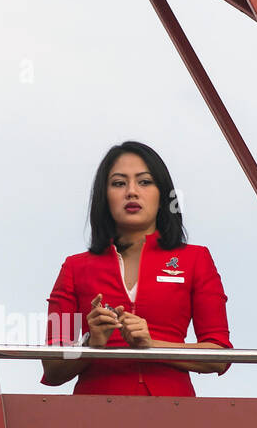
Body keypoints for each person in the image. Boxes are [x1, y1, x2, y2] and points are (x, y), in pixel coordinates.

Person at [41, 141, 231, 395]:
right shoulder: (74, 268)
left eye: (144, 182)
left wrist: (152, 346)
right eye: (119, 183)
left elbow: (219, 355)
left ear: (163, 195)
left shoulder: (196, 259)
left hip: (173, 411)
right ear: (104, 197)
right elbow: (52, 368)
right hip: (94, 412)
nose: (131, 192)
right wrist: (91, 344)